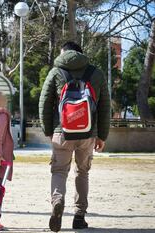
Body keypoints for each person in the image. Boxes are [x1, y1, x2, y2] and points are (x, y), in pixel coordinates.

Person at [39, 41, 110, 232]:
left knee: (59, 171)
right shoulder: (96, 73)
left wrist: (48, 130)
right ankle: (79, 216)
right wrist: (102, 135)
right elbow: (105, 106)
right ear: (80, 53)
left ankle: (57, 200)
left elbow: (44, 102)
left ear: (64, 53)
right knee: (83, 172)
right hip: (88, 133)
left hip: (62, 132)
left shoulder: (55, 72)